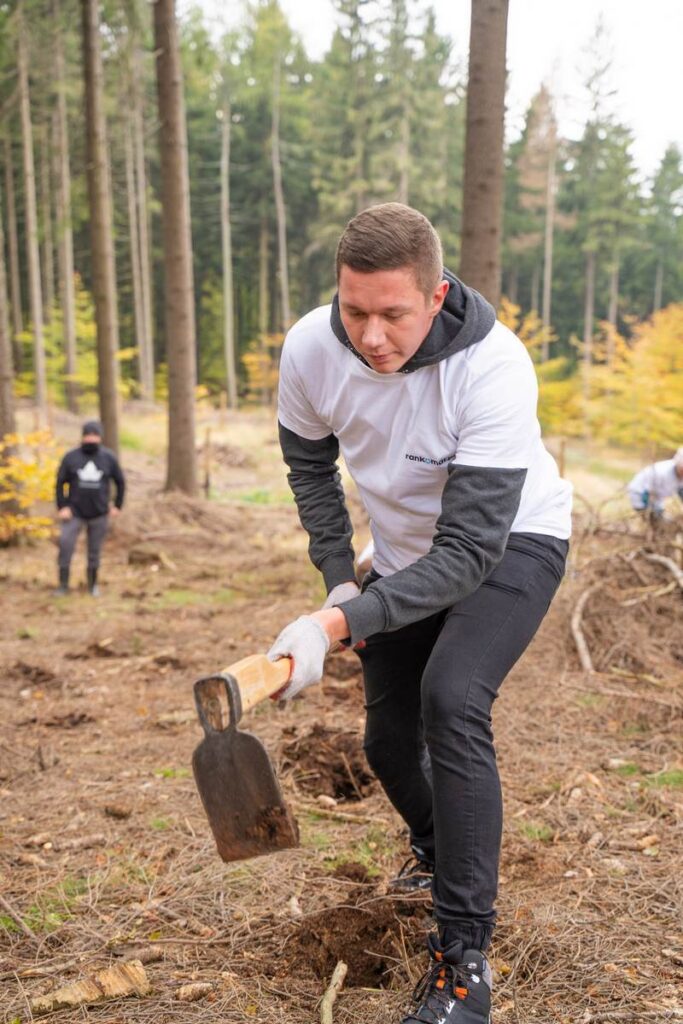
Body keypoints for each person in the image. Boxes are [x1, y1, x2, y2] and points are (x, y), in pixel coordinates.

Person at [267, 203, 572, 1023]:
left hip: (511, 542)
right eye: (354, 311)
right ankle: (443, 855)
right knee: (388, 743)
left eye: (393, 314)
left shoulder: (492, 367)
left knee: (452, 698)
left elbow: (469, 550)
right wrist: (340, 583)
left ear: (435, 296)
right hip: (403, 555)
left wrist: (336, 626)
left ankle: (463, 960)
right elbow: (309, 468)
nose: (371, 336)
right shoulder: (309, 348)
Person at [54, 420, 125, 596]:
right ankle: (63, 585)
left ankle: (93, 585)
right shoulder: (71, 457)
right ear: (83, 436)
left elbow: (120, 481)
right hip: (74, 512)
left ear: (100, 437)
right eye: (88, 435)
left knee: (94, 551)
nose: (91, 439)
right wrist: (62, 506)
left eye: (94, 435)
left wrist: (117, 505)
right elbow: (60, 483)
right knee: (65, 546)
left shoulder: (108, 457)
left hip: (99, 513)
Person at [626, 449, 683, 520]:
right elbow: (648, 493)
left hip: (657, 500)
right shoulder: (661, 472)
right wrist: (652, 511)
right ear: (678, 465)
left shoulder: (679, 474)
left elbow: (681, 490)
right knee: (657, 520)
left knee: (666, 520)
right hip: (640, 494)